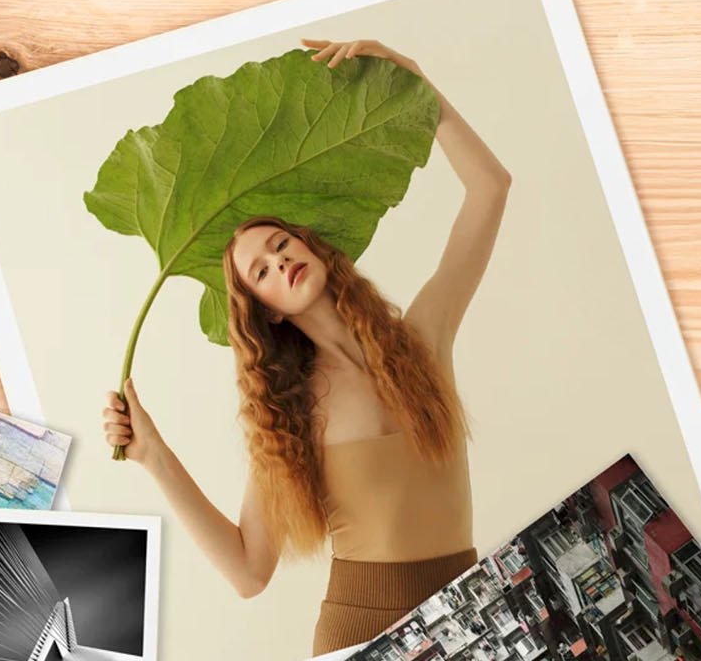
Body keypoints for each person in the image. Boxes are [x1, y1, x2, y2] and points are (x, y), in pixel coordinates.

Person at [101, 38, 512, 653]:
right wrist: (153, 454)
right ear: (265, 310)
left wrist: (418, 83)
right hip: (362, 631)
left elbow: (490, 188)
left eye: (279, 245)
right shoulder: (290, 413)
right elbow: (248, 572)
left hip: (471, 611)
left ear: (312, 246)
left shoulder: (423, 340)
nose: (278, 261)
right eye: (260, 272)